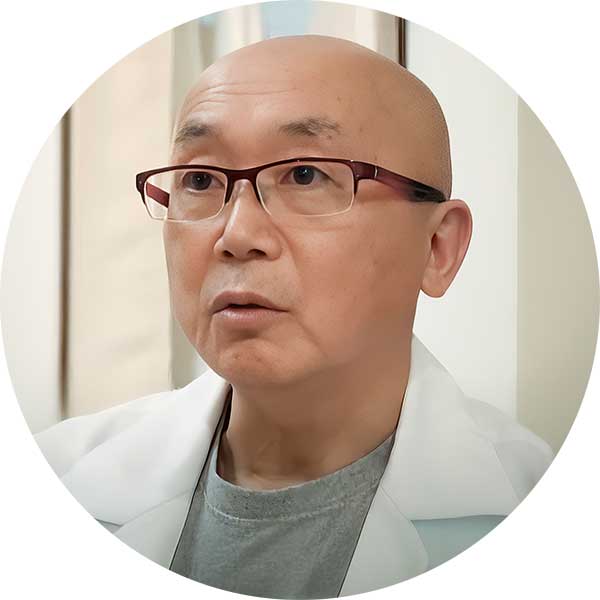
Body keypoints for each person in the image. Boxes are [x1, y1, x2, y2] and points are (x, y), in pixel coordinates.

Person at [35, 35, 553, 598]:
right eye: (200, 180)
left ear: (437, 248)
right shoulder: (48, 482)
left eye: (305, 175)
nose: (236, 235)